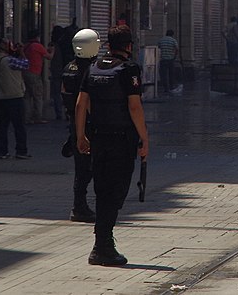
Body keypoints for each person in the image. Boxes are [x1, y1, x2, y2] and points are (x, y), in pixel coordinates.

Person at [76, 25, 149, 266]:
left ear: (108, 44)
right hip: (121, 140)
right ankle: (103, 246)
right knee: (115, 192)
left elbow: (80, 104)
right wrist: (144, 138)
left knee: (102, 189)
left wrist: (80, 136)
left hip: (98, 139)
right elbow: (134, 107)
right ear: (129, 46)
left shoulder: (93, 68)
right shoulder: (129, 70)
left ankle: (102, 243)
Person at [62, 29, 100, 223]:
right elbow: (86, 100)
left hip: (72, 122)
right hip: (87, 124)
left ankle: (80, 205)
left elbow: (64, 93)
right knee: (88, 168)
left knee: (81, 167)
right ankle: (80, 206)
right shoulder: (91, 70)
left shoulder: (69, 67)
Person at [0, 38, 30, 160]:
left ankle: (2, 151)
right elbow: (25, 64)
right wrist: (22, 52)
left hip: (3, 95)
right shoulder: (9, 61)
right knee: (19, 126)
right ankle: (21, 150)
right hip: (15, 95)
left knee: (3, 126)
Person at [22, 29, 52, 124]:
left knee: (27, 96)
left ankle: (26, 117)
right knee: (38, 95)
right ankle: (37, 117)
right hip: (35, 73)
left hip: (25, 72)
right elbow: (49, 57)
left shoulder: (26, 46)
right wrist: (52, 51)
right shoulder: (37, 46)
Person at [157, 29, 180, 93]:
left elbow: (158, 48)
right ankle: (171, 87)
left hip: (163, 60)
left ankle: (165, 88)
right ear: (172, 34)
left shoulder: (161, 40)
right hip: (171, 59)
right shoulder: (173, 40)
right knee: (171, 74)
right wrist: (174, 56)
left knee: (164, 75)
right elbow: (177, 49)